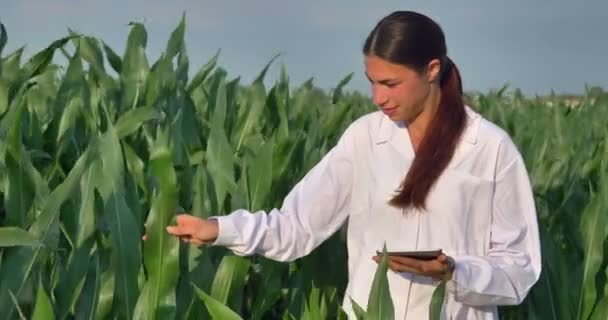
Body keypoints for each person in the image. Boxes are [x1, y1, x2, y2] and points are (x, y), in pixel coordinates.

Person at [165, 10, 541, 319]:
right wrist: (217, 229)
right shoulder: (365, 138)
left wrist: (455, 271)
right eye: (372, 82)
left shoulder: (489, 149)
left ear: (431, 70)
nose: (378, 97)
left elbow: (519, 270)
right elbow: (296, 226)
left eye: (391, 83)